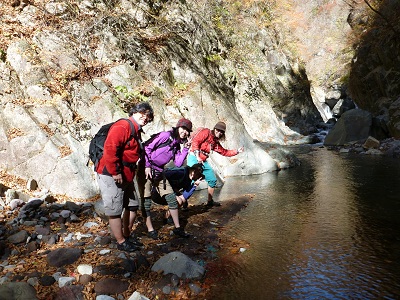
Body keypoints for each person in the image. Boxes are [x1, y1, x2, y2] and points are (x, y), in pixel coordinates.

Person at [95, 102, 154, 252]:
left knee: (133, 204)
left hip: (127, 173)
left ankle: (127, 234)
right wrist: (115, 172)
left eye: (148, 116)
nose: (145, 118)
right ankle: (121, 242)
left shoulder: (136, 130)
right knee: (114, 210)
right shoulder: (123, 126)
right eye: (143, 113)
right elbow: (110, 149)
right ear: (134, 112)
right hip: (111, 174)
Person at [140, 118, 192, 239]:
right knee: (146, 201)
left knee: (172, 198)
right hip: (146, 169)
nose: (185, 132)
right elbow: (147, 147)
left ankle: (178, 228)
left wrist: (185, 148)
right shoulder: (165, 136)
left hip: (159, 172)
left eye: (187, 131)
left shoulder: (176, 146)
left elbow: (178, 163)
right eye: (183, 128)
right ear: (178, 127)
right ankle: (150, 229)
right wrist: (147, 166)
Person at [187, 121, 244, 207]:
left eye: (222, 132)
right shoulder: (206, 132)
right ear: (214, 129)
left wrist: (237, 151)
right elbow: (196, 142)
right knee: (190, 180)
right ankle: (184, 203)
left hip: (203, 161)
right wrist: (197, 156)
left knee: (212, 180)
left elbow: (224, 152)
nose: (219, 132)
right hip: (194, 157)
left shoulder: (215, 142)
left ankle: (210, 202)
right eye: (218, 130)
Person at [144, 164, 205, 238]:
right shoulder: (179, 173)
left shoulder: (189, 180)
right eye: (198, 175)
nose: (198, 177)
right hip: (158, 193)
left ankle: (168, 217)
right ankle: (169, 220)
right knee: (178, 200)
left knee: (182, 200)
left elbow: (185, 196)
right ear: (193, 171)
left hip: (169, 194)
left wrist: (194, 186)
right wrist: (173, 190)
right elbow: (163, 177)